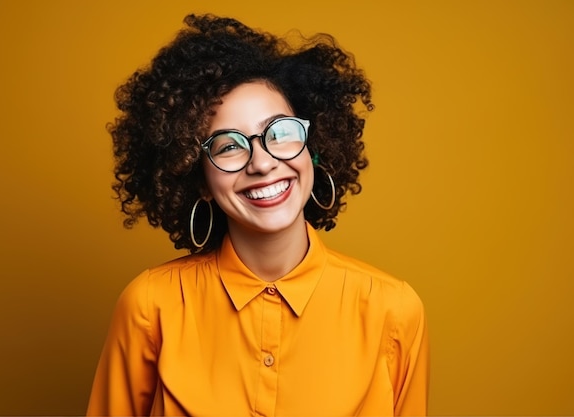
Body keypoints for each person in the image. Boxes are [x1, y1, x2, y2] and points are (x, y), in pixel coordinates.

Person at [87, 13, 429, 417]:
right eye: (229, 145)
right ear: (196, 176)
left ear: (312, 147)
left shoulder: (394, 311)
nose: (262, 163)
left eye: (280, 132)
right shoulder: (150, 307)